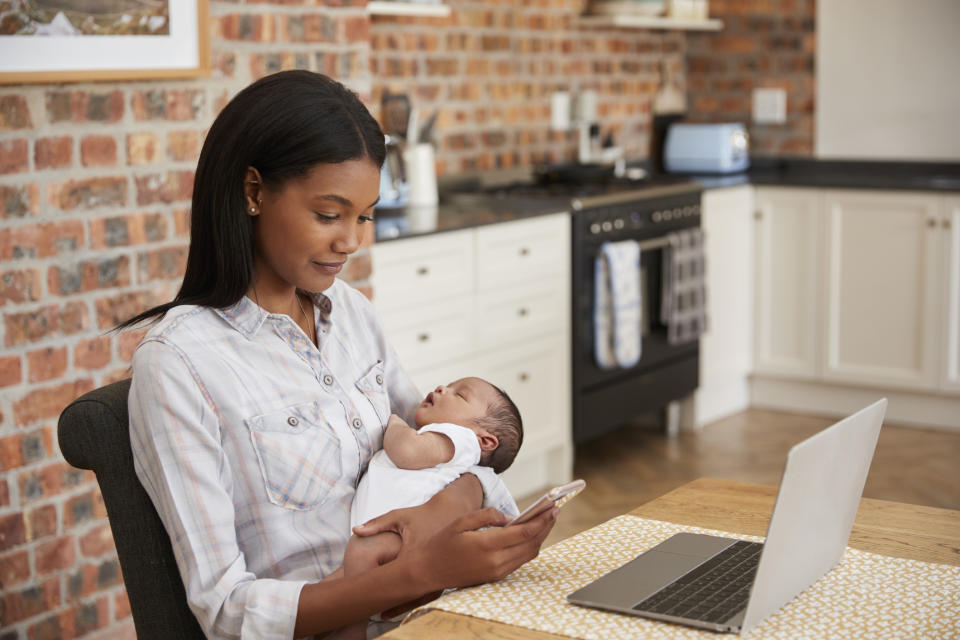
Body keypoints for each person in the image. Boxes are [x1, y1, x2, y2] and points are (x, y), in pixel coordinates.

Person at [121, 70, 556, 640]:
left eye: (364, 216)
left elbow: (447, 450)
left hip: (430, 615)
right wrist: (418, 571)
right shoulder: (180, 364)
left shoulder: (348, 311)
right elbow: (228, 610)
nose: (351, 240)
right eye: (329, 215)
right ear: (253, 192)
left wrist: (461, 523)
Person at [332, 376, 523, 639]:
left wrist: (395, 423)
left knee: (359, 556)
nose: (443, 388)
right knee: (331, 586)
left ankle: (351, 630)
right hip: (389, 555)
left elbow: (408, 451)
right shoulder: (445, 447)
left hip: (403, 543)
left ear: (485, 441)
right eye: (449, 385)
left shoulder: (461, 440)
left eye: (460, 395)